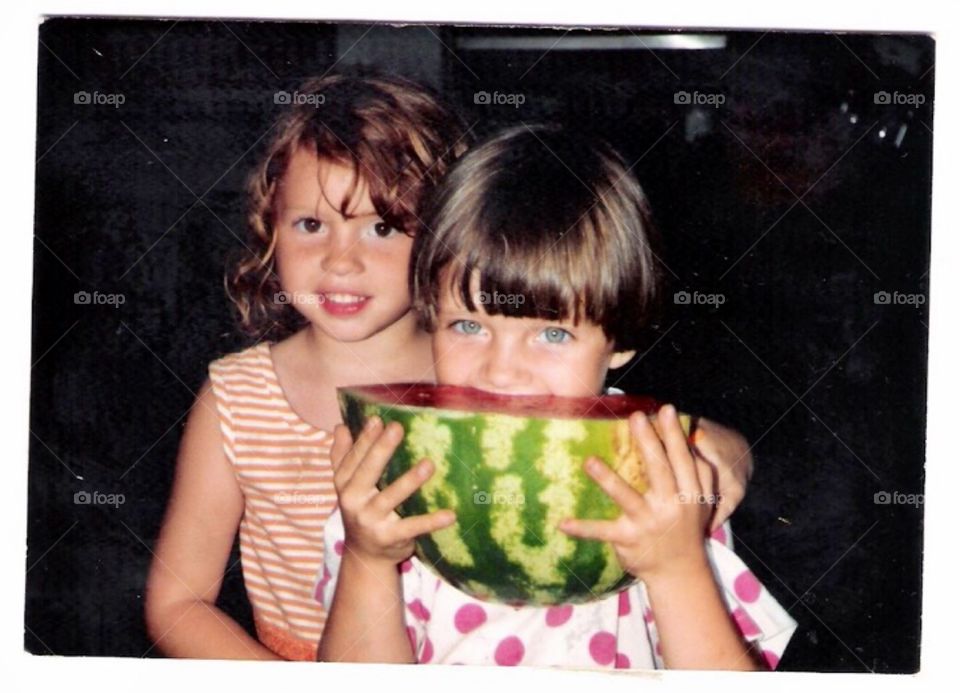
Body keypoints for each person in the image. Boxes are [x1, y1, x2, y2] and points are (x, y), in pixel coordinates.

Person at [317, 125, 796, 669]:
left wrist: (677, 567)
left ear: (621, 339)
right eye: (468, 327)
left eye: (552, 334)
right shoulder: (397, 475)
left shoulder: (659, 481)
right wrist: (367, 559)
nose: (501, 372)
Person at [143, 72, 468, 660]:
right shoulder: (235, 401)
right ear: (271, 226)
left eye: (383, 227)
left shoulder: (477, 380)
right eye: (312, 225)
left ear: (443, 237)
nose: (340, 262)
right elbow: (176, 603)